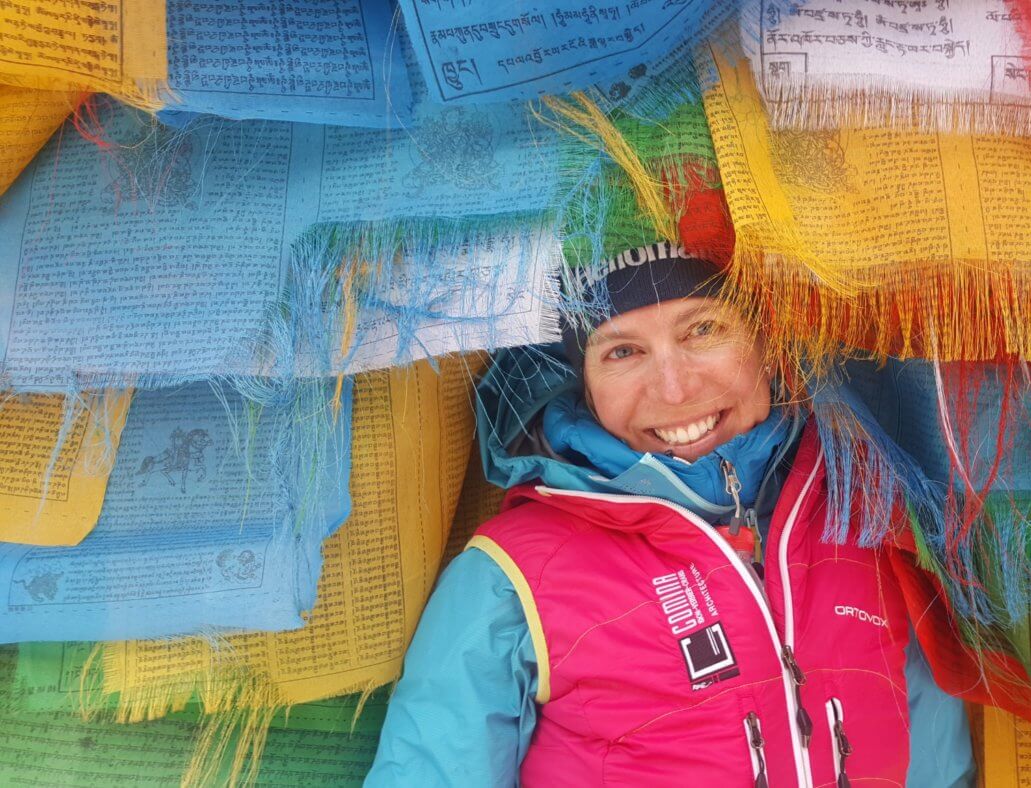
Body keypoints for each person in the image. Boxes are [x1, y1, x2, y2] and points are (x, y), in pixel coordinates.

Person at [365, 241, 975, 786]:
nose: (674, 389)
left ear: (767, 343)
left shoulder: (868, 519)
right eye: (622, 351)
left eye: (703, 329)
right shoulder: (512, 573)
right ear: (584, 387)